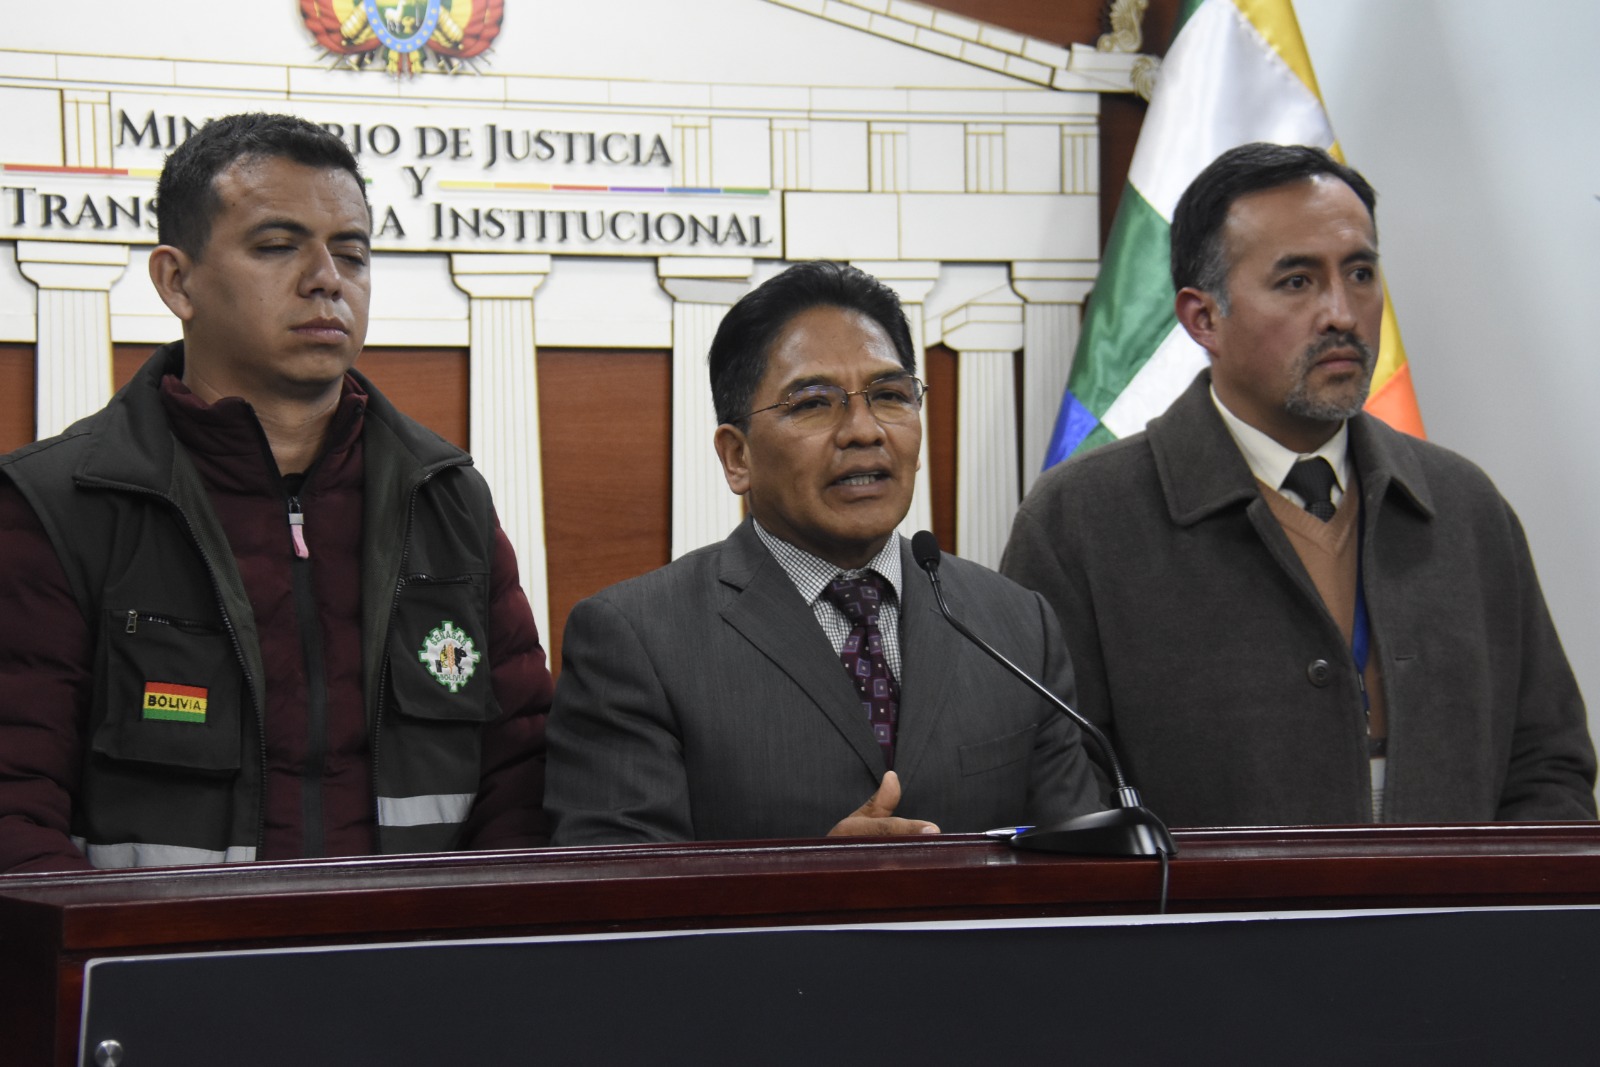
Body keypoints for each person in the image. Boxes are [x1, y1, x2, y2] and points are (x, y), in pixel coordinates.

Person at [0, 113, 552, 872]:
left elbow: (519, 781)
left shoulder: (448, 498)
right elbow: (14, 809)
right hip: (166, 980)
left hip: (421, 976)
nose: (327, 277)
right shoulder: (57, 506)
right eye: (277, 245)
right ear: (177, 280)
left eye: (352, 253)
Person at [1002, 142, 1596, 827]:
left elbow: (1549, 763)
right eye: (1297, 281)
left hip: (1456, 931)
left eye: (1361, 272)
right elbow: (1056, 788)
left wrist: (1499, 922)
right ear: (1203, 319)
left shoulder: (1465, 507)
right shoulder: (1082, 519)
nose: (1342, 312)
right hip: (1212, 931)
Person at [545, 261, 1101, 843]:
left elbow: (1082, 870)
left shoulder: (1016, 626)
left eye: (890, 395)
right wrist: (810, 883)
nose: (864, 430)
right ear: (737, 457)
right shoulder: (637, 642)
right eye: (813, 403)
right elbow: (621, 902)